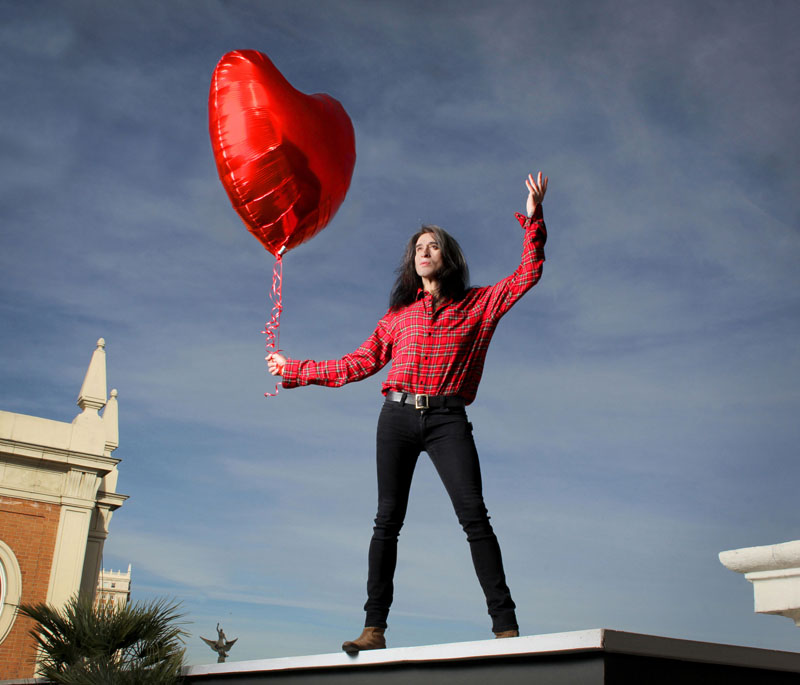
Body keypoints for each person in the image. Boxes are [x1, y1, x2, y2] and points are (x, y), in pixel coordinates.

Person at [267, 171, 548, 653]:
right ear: (411, 261)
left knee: (474, 517)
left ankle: (506, 628)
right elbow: (359, 363)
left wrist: (534, 219)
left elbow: (528, 274)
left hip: (447, 421)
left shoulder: (478, 304)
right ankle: (373, 629)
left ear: (448, 257)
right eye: (419, 247)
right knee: (386, 521)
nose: (424, 252)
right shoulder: (397, 318)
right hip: (395, 419)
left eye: (434, 246)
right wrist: (297, 369)